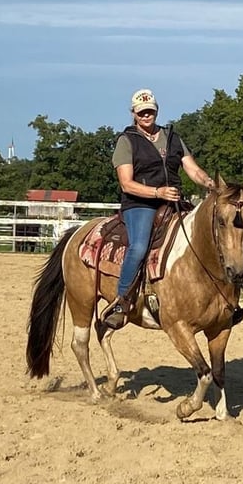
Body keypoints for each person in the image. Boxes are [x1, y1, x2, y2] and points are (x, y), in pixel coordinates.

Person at [102, 88, 217, 329]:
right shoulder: (127, 141)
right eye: (142, 112)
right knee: (140, 245)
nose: (147, 116)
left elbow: (192, 168)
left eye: (150, 111)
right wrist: (157, 192)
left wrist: (209, 183)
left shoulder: (173, 138)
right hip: (140, 203)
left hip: (172, 201)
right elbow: (126, 182)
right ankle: (122, 301)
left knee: (208, 235)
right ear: (134, 113)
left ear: (156, 111)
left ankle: (221, 301)